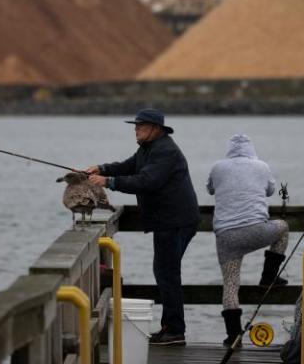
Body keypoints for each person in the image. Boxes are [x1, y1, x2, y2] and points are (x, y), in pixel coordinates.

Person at [87, 108, 199, 347]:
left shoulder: (165, 151)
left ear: (155, 129)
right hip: (169, 221)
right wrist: (102, 168)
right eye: (135, 126)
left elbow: (147, 181)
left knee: (166, 274)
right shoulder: (148, 149)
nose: (135, 129)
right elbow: (130, 166)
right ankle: (171, 328)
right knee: (166, 273)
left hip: (175, 222)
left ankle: (175, 331)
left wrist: (109, 183)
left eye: (140, 126)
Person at [206, 133, 289, 348]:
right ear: (251, 148)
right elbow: (270, 190)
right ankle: (268, 277)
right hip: (255, 231)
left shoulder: (217, 167)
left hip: (226, 237)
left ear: (229, 149)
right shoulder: (261, 166)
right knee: (283, 228)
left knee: (231, 284)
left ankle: (233, 336)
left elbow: (210, 189)